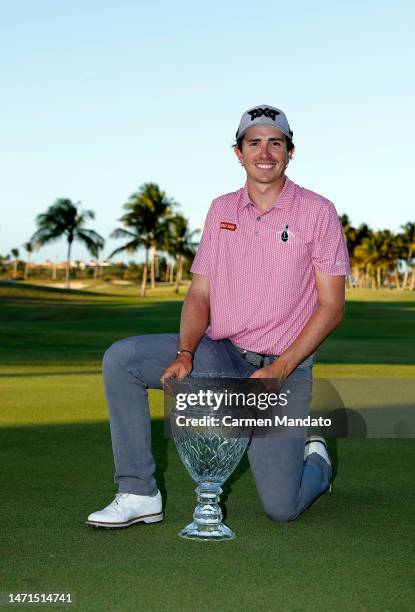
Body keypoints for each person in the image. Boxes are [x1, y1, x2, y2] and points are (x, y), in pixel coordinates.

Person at [86, 104, 350, 529]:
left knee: (281, 507)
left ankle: (315, 459)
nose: (265, 152)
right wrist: (186, 350)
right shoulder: (221, 209)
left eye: (275, 143)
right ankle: (138, 492)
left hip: (285, 371)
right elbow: (200, 291)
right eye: (254, 143)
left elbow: (332, 306)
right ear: (239, 152)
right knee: (123, 359)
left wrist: (281, 369)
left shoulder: (317, 211)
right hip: (221, 355)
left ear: (290, 151)